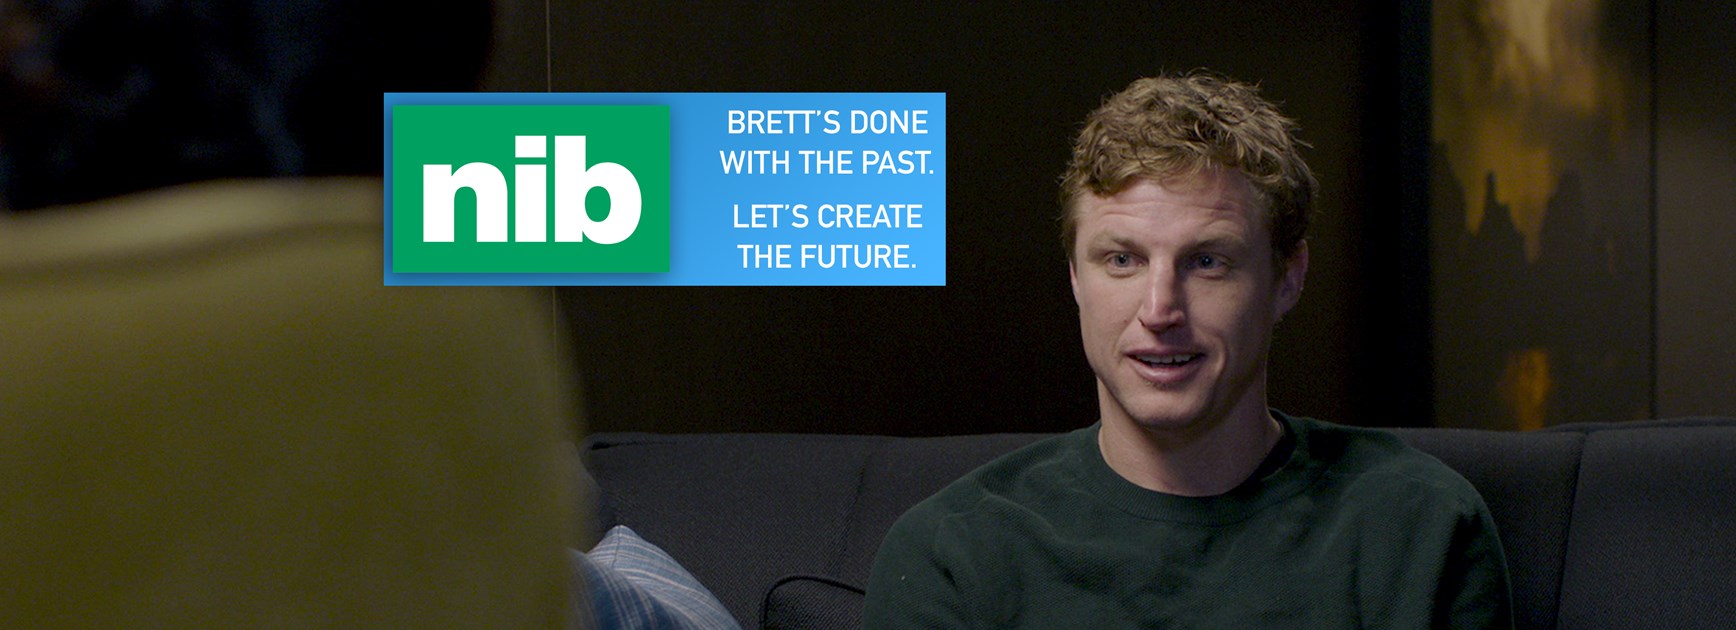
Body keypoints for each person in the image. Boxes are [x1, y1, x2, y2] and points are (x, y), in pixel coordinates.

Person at [864, 72, 1513, 628]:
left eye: (1207, 261)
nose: (1159, 310)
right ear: (1075, 278)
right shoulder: (954, 555)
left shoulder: (1420, 527)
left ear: (1287, 278)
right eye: (1122, 260)